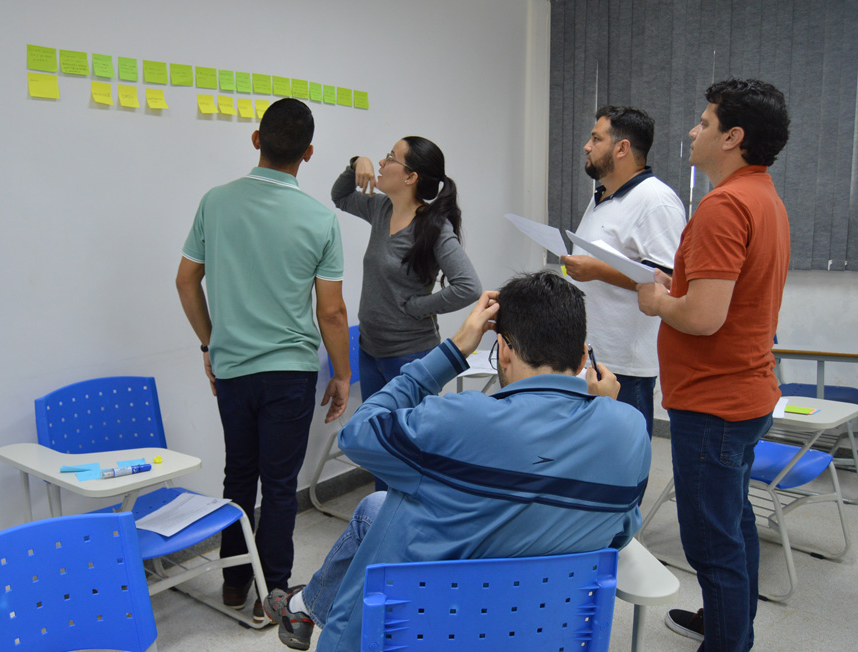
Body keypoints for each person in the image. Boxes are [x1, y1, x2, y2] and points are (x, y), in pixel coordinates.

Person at [264, 271, 651, 651]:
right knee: (374, 508)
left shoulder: (460, 421)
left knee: (387, 505)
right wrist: (604, 414)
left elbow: (358, 433)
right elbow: (619, 533)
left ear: (503, 350)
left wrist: (453, 351)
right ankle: (303, 606)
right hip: (541, 634)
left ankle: (303, 607)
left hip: (432, 633)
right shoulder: (631, 430)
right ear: (584, 356)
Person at [176, 98, 352, 620]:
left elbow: (187, 280)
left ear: (257, 140)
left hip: (232, 371)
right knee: (279, 486)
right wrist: (342, 374)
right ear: (310, 153)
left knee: (238, 476)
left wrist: (211, 345)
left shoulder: (215, 202)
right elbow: (333, 312)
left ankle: (232, 583)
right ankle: (269, 592)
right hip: (290, 374)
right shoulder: (320, 218)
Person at [637, 79, 791, 652]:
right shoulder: (763, 196)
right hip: (744, 394)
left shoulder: (725, 205)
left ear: (733, 136)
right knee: (735, 522)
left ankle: (728, 643)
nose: (692, 131)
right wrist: (676, 285)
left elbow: (702, 317)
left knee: (710, 540)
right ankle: (732, 624)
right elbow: (726, 294)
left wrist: (656, 301)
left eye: (703, 123)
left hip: (714, 403)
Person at [332, 138, 481, 490]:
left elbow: (468, 286)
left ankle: (410, 522)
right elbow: (340, 195)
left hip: (411, 356)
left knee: (410, 449)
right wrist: (357, 162)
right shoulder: (381, 209)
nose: (381, 164)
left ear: (411, 177)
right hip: (371, 349)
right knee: (378, 442)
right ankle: (380, 513)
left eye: (389, 159)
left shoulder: (433, 226)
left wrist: (418, 306)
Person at [561, 105, 686, 438]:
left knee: (622, 461)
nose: (587, 146)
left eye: (596, 139)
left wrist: (597, 271)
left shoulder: (656, 200)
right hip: (589, 353)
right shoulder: (601, 196)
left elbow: (668, 280)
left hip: (625, 364)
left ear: (622, 148)